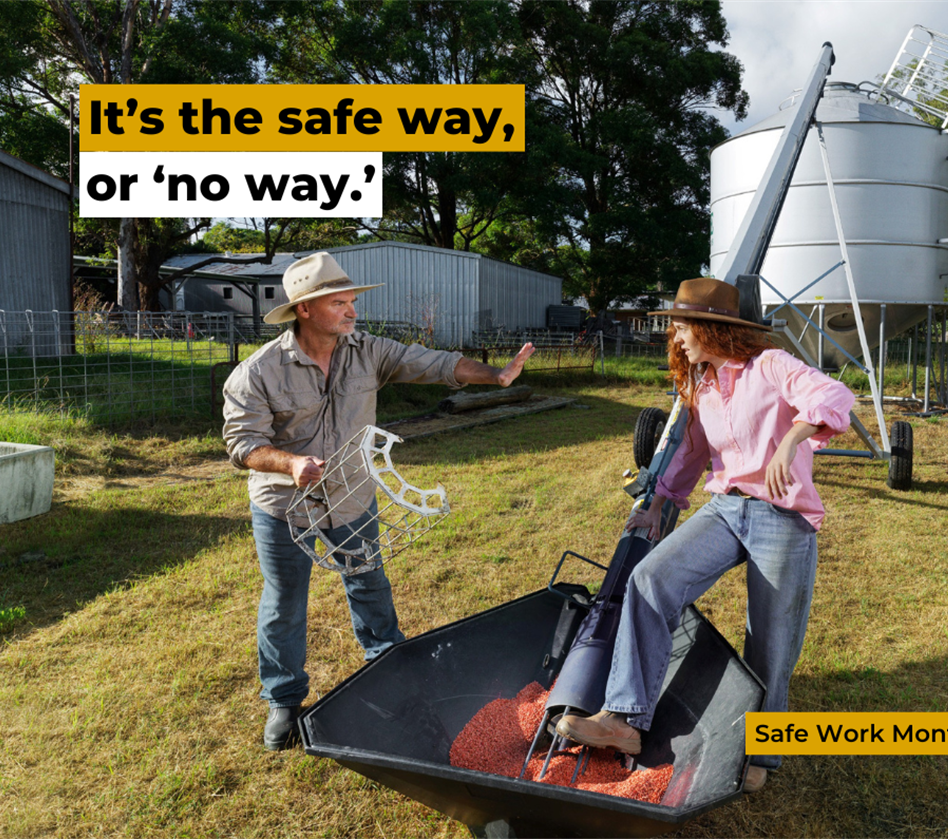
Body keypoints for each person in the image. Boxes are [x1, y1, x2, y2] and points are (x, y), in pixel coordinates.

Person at [222, 252, 534, 750]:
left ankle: (388, 666)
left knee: (368, 581)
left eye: (352, 301)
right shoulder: (257, 373)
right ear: (304, 310)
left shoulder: (366, 350)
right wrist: (290, 464)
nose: (352, 312)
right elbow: (243, 445)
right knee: (284, 602)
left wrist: (494, 375)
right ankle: (283, 699)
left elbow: (432, 363)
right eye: (340, 303)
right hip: (287, 507)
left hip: (351, 496)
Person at [556, 277, 854, 792]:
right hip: (725, 509)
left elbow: (833, 396)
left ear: (712, 328)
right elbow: (693, 451)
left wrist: (790, 442)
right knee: (650, 580)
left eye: (682, 325)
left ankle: (764, 756)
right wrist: (659, 506)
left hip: (782, 518)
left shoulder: (770, 367)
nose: (676, 335)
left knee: (771, 642)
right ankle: (624, 721)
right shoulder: (703, 385)